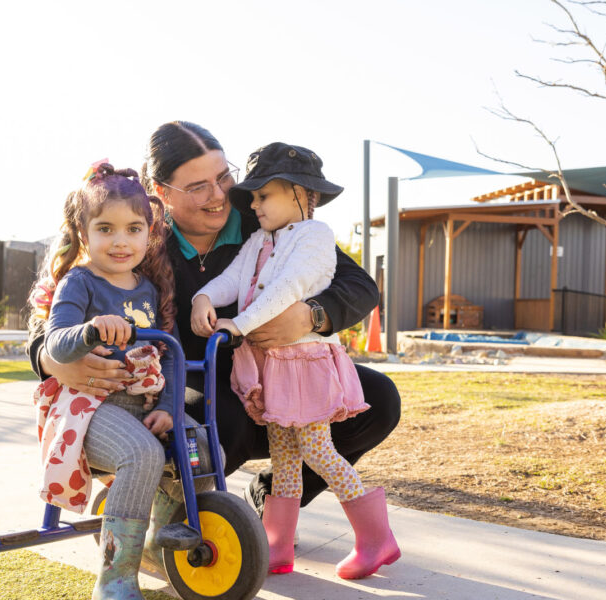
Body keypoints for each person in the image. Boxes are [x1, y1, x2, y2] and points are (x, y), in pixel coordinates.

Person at [26, 121, 401, 570]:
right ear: (160, 193)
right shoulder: (135, 234)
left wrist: (311, 315)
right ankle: (168, 520)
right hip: (186, 383)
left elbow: (358, 284)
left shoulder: (261, 220)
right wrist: (49, 357)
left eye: (224, 176)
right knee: (216, 423)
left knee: (378, 400)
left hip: (276, 368)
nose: (220, 194)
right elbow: (60, 296)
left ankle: (267, 507)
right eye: (198, 186)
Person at [190, 142, 400, 579]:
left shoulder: (315, 238)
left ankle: (376, 538)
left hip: (304, 363)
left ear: (303, 194)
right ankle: (276, 544)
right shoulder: (259, 240)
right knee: (284, 457)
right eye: (252, 197)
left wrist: (238, 325)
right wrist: (205, 297)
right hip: (272, 365)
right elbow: (233, 278)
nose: (253, 204)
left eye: (264, 195)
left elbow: (288, 288)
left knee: (317, 449)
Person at [30, 161, 192, 600]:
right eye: (106, 228)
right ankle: (115, 577)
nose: (121, 241)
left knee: (200, 449)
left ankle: (161, 537)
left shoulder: (152, 289)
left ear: (148, 233)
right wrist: (89, 330)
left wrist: (167, 407)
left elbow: (172, 358)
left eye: (133, 229)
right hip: (89, 410)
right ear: (84, 233)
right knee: (142, 455)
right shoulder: (79, 282)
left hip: (144, 405)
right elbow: (56, 343)